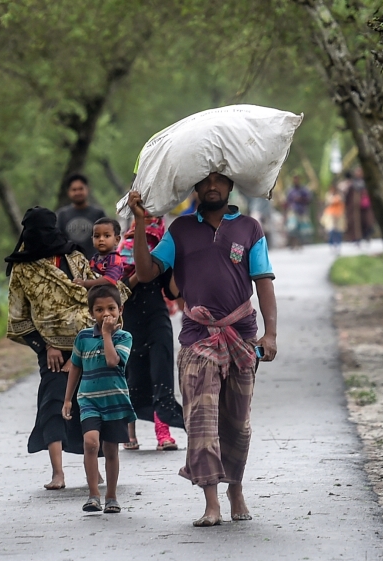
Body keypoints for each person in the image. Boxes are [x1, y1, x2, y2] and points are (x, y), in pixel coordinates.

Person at [127, 172, 278, 527]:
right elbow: (147, 272)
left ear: (230, 187)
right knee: (201, 421)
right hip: (197, 338)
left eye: (219, 181)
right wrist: (138, 223)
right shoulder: (179, 230)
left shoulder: (250, 229)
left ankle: (235, 487)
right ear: (195, 189)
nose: (212, 186)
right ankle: (211, 502)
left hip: (241, 337)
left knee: (238, 425)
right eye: (204, 181)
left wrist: (270, 335)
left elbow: (264, 281)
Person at [5, 207, 95, 491]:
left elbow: (94, 301)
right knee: (52, 404)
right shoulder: (21, 269)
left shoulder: (75, 258)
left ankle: (96, 469)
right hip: (52, 351)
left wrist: (83, 349)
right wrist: (46, 348)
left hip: (87, 343)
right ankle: (58, 473)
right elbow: (18, 317)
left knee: (91, 405)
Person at [62, 284, 136, 514]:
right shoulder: (83, 337)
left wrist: (106, 334)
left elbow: (113, 361)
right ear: (91, 312)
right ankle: (93, 494)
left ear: (120, 309)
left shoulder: (124, 336)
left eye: (111, 308)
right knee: (91, 444)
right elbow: (75, 367)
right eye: (99, 309)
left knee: (111, 450)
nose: (106, 314)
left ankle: (111, 496)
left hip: (114, 401)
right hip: (89, 400)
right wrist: (67, 399)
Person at [117, 216, 185, 451]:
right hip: (130, 320)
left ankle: (163, 432)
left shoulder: (165, 248)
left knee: (162, 373)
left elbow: (172, 290)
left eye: (152, 216)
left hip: (157, 317)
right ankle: (129, 431)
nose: (149, 221)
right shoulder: (123, 248)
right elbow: (119, 288)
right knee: (132, 377)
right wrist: (143, 268)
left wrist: (177, 262)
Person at [56, 174, 107, 258]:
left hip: (94, 263)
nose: (77, 192)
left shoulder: (98, 214)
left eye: (81, 189)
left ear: (87, 189)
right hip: (69, 264)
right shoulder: (62, 215)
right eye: (74, 190)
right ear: (68, 192)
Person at [76, 218, 125, 290]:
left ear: (116, 240)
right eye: (97, 236)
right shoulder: (94, 259)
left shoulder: (114, 258)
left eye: (107, 236)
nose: (101, 239)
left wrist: (85, 283)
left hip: (109, 296)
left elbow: (110, 280)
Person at [284, 175, 312, 249]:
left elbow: (309, 200)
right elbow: (287, 202)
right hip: (293, 211)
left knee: (302, 229)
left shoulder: (304, 190)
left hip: (302, 211)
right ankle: (293, 243)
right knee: (292, 228)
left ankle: (300, 244)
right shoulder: (290, 191)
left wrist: (301, 199)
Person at [321, 182, 346, 251]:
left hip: (339, 215)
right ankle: (331, 244)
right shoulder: (328, 195)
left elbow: (341, 202)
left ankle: (338, 244)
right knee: (331, 230)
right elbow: (329, 202)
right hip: (330, 215)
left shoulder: (340, 195)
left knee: (339, 231)